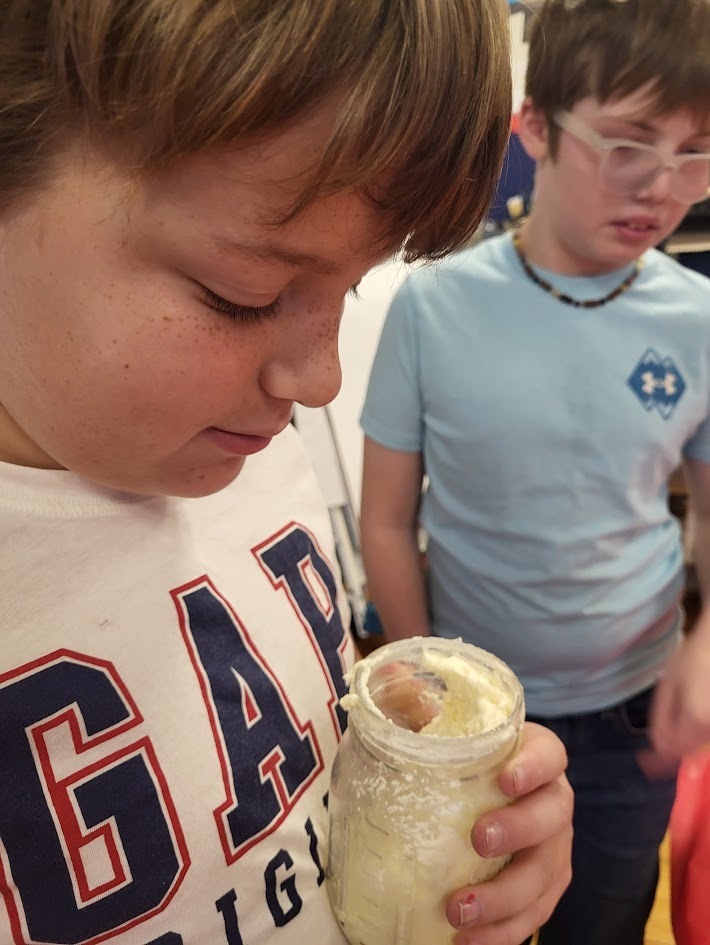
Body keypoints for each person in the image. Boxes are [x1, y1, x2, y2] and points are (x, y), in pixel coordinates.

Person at [0, 2, 573, 945]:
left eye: (348, 286)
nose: (321, 381)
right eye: (244, 296)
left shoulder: (239, 452)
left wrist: (449, 834)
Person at [359, 0, 710, 943]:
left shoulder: (699, 317)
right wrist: (422, 683)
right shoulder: (432, 306)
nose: (666, 187)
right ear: (538, 129)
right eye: (631, 144)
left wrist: (706, 642)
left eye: (698, 150)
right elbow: (387, 521)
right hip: (473, 709)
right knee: (464, 919)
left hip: (633, 716)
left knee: (603, 915)